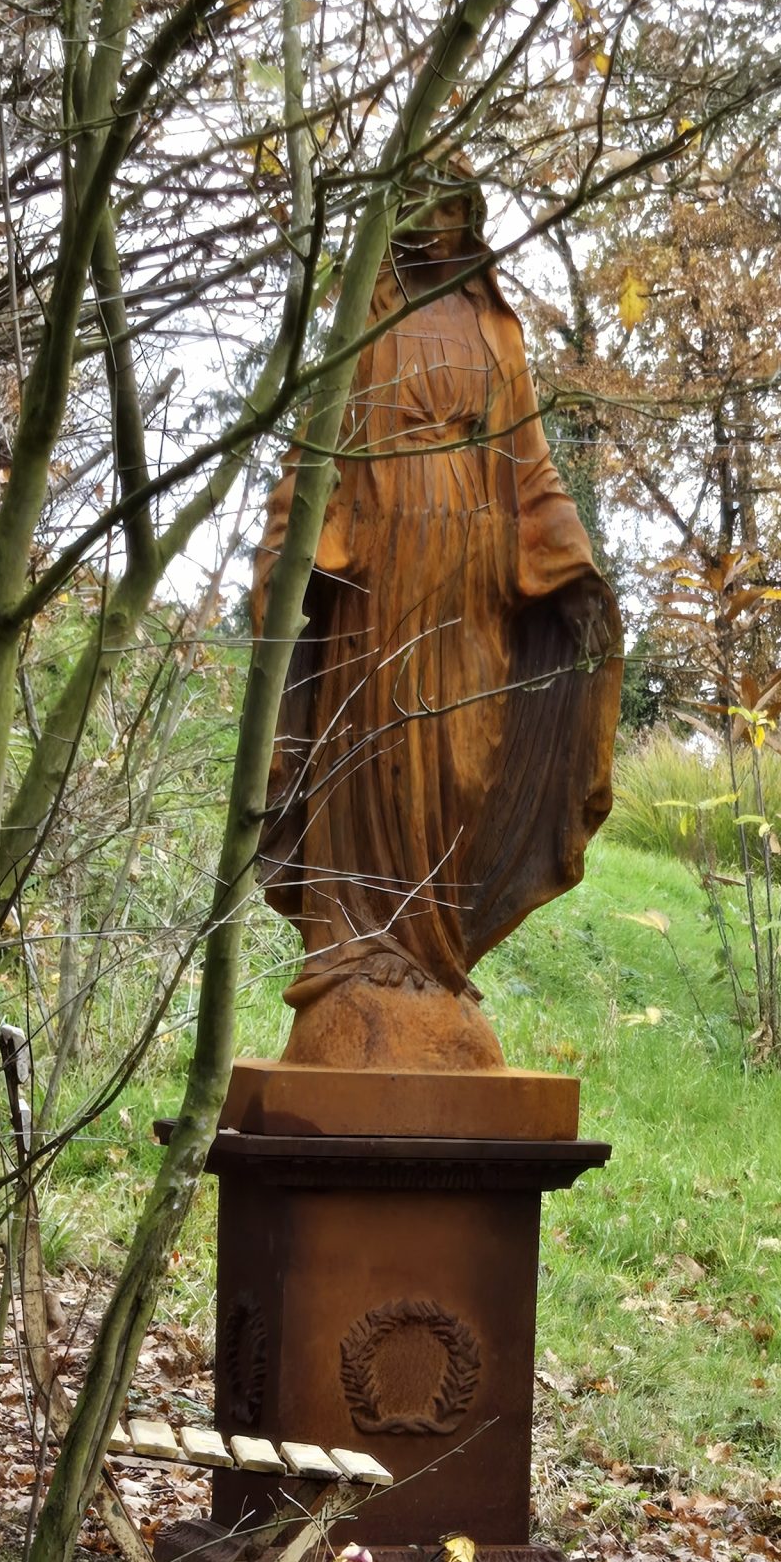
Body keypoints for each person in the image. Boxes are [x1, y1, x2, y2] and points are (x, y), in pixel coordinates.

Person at [252, 170, 622, 1069]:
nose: (433, 226)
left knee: (465, 766)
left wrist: (571, 573)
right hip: (381, 577)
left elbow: (531, 466)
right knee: (375, 755)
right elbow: (317, 456)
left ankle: (436, 958)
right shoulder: (362, 322)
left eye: (451, 209)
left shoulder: (497, 331)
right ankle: (359, 959)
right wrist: (287, 555)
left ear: (470, 220)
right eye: (416, 207)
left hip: (477, 583)